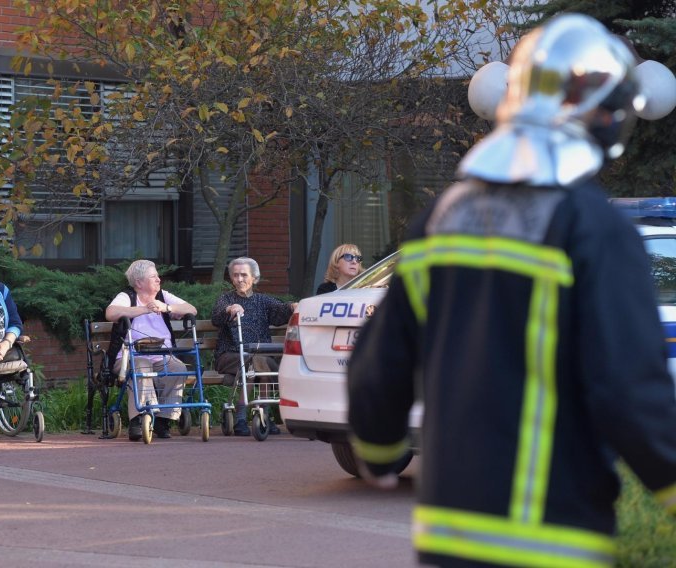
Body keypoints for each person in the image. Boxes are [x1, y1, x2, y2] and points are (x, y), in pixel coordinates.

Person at [347, 14, 676, 568]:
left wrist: (379, 454)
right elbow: (628, 386)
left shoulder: (440, 220)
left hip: (448, 532)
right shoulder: (593, 228)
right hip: (554, 536)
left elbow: (379, 362)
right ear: (603, 112)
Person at [106, 259, 197, 441]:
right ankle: (138, 419)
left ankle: (163, 420)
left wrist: (167, 307)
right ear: (139, 283)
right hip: (129, 357)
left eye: (157, 275)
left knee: (178, 368)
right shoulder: (127, 296)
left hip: (162, 356)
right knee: (141, 365)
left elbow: (191, 309)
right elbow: (111, 313)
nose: (158, 279)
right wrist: (143, 310)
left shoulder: (163, 296)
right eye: (153, 276)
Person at [211, 257, 297, 436]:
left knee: (255, 364)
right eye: (236, 275)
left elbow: (281, 311)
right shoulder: (226, 299)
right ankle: (254, 415)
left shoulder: (263, 301)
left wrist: (293, 306)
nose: (239, 279)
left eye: (244, 275)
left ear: (254, 278)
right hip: (230, 355)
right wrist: (230, 309)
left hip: (259, 359)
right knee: (253, 364)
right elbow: (217, 317)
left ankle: (253, 416)